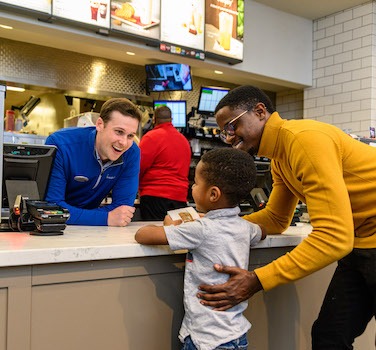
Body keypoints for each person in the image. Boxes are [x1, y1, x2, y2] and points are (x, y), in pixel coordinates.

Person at [197, 85, 376, 349]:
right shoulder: (280, 157)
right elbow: (276, 218)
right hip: (362, 247)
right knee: (329, 337)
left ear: (259, 112)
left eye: (233, 126)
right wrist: (212, 225)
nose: (229, 138)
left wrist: (257, 280)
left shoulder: (304, 140)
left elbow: (334, 238)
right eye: (224, 132)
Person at [135, 148, 265, 350]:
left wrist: (170, 224)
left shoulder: (201, 230)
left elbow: (143, 234)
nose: (191, 187)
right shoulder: (244, 227)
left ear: (213, 194)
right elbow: (261, 232)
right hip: (236, 335)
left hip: (206, 340)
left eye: (195, 183)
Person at [45, 97, 142, 226]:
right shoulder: (60, 144)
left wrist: (82, 216)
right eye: (119, 132)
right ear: (100, 124)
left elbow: (122, 211)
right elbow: (52, 208)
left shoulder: (131, 153)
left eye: (130, 136)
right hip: (52, 229)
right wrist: (106, 218)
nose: (124, 142)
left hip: (94, 232)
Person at [138, 105, 191, 221]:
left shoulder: (151, 137)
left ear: (154, 119)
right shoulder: (184, 140)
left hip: (154, 197)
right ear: (171, 120)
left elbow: (138, 168)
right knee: (176, 236)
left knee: (155, 236)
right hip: (180, 198)